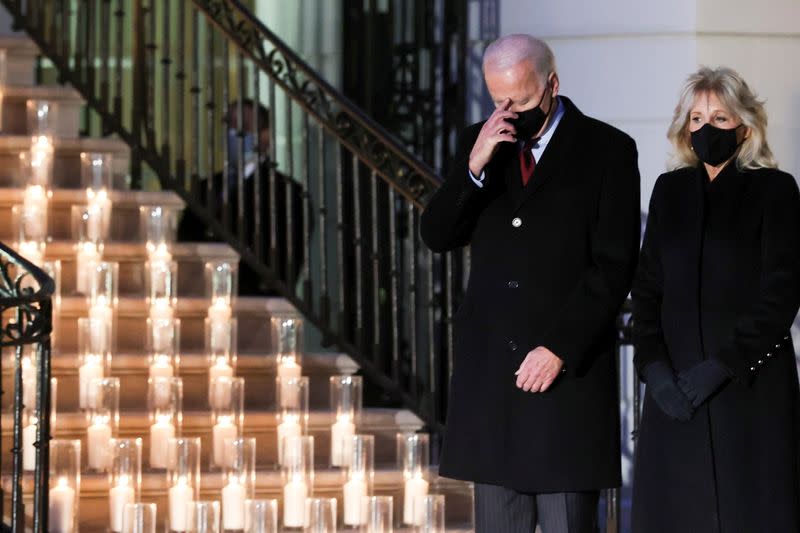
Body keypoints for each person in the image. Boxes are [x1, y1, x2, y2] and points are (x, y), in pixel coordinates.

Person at [420, 34, 641, 533]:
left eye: (519, 100)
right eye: (497, 100)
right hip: (493, 386)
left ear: (552, 85)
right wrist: (473, 167)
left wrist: (560, 347)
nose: (508, 112)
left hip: (564, 382)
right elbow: (436, 235)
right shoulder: (483, 141)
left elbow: (614, 265)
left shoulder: (608, 150)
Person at [631, 66, 800, 532]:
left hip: (748, 390)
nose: (707, 128)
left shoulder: (775, 190)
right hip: (675, 392)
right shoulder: (671, 190)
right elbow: (647, 291)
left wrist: (723, 366)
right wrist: (655, 370)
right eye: (697, 118)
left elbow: (781, 294)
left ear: (745, 126)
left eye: (721, 119)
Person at [177, 99, 306, 294]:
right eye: (230, 124)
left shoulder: (286, 192)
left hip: (251, 299)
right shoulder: (205, 186)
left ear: (264, 136)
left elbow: (286, 258)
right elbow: (185, 239)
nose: (234, 133)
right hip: (200, 292)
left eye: (244, 127)